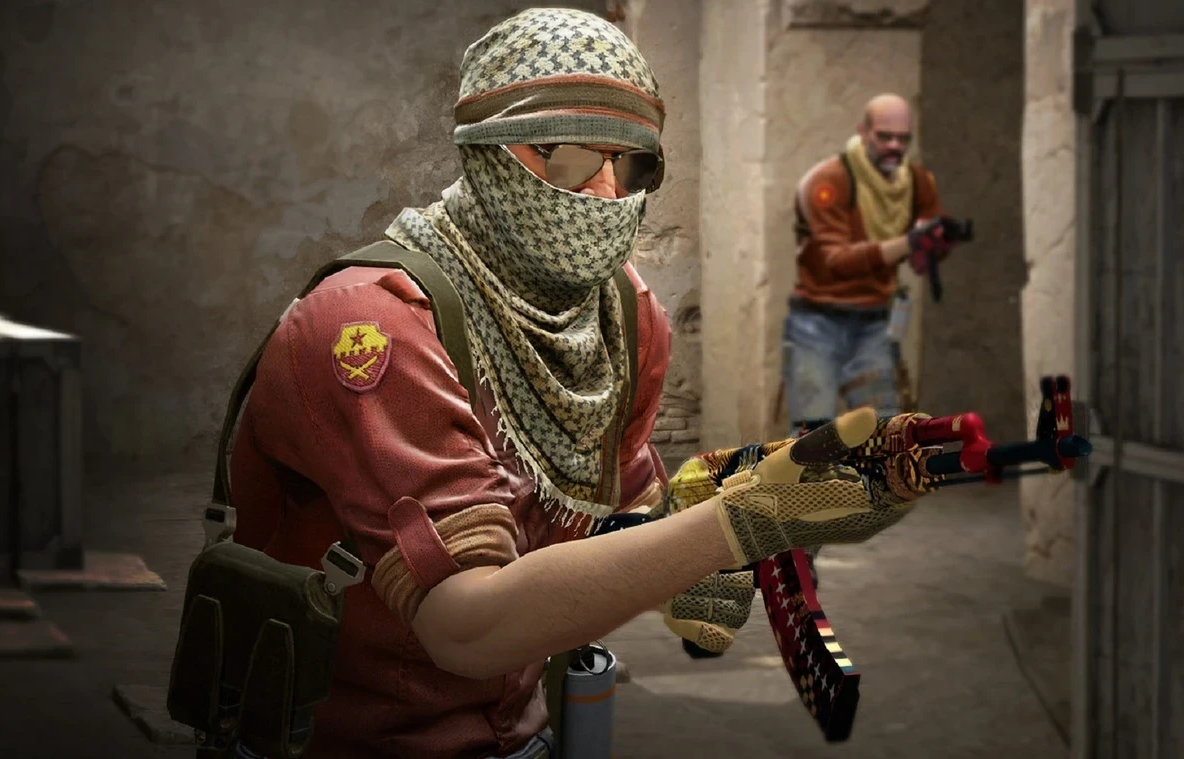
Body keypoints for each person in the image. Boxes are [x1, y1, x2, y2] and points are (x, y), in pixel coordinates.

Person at [224, 9, 943, 759]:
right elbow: (464, 627)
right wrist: (735, 522)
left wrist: (724, 512)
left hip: (525, 732)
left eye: (631, 166)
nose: (603, 193)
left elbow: (616, 519)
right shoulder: (371, 325)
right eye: (566, 157)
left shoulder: (621, 314)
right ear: (485, 149)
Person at [784, 94, 965, 436]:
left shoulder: (916, 182)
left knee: (882, 437)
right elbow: (836, 261)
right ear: (864, 132)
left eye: (903, 138)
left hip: (874, 323)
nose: (895, 146)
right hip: (817, 322)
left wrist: (936, 243)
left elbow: (925, 250)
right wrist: (909, 242)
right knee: (811, 440)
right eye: (885, 136)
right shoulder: (829, 181)